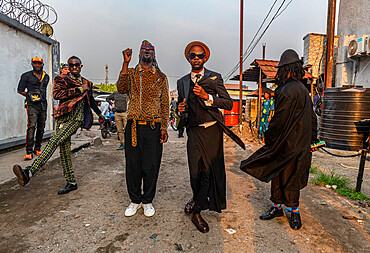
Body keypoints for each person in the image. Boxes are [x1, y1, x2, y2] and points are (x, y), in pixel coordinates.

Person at [240, 49, 318, 230]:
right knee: (288, 176)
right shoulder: (303, 90)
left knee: (285, 176)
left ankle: (294, 212)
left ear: (285, 69)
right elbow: (312, 117)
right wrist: (313, 139)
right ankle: (278, 209)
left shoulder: (285, 90)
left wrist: (269, 138)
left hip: (287, 144)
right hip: (299, 144)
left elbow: (279, 120)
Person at [13, 56, 104, 195]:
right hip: (62, 118)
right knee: (64, 152)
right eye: (71, 65)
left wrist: (100, 114)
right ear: (68, 66)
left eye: (77, 65)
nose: (74, 67)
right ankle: (71, 182)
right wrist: (79, 89)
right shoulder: (61, 79)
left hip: (76, 119)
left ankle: (30, 171)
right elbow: (57, 94)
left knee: (54, 140)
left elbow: (90, 100)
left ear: (81, 66)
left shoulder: (87, 83)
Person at [177, 41, 233, 233]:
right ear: (188, 58)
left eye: (200, 55)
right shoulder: (182, 82)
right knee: (194, 172)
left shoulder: (214, 77)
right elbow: (182, 109)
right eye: (193, 55)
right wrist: (180, 110)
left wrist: (208, 97)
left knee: (208, 172)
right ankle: (196, 197)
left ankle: (197, 211)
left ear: (205, 58)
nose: (196, 58)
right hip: (193, 131)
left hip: (211, 131)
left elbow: (228, 103)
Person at [116, 40, 169, 217]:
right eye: (144, 50)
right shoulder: (131, 73)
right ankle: (134, 200)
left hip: (153, 126)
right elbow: (121, 88)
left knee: (151, 165)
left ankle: (147, 201)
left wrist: (164, 127)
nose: (147, 52)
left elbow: (165, 103)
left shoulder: (160, 77)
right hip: (133, 126)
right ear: (139, 54)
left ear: (154, 55)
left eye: (150, 50)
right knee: (133, 165)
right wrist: (125, 62)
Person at [17, 56, 50, 160]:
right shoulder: (26, 76)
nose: (37, 65)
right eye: (35, 63)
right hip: (32, 105)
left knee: (41, 128)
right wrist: (30, 96)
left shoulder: (46, 76)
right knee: (31, 126)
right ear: (32, 64)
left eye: (39, 63)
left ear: (42, 64)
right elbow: (20, 90)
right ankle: (29, 151)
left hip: (43, 105)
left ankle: (38, 148)